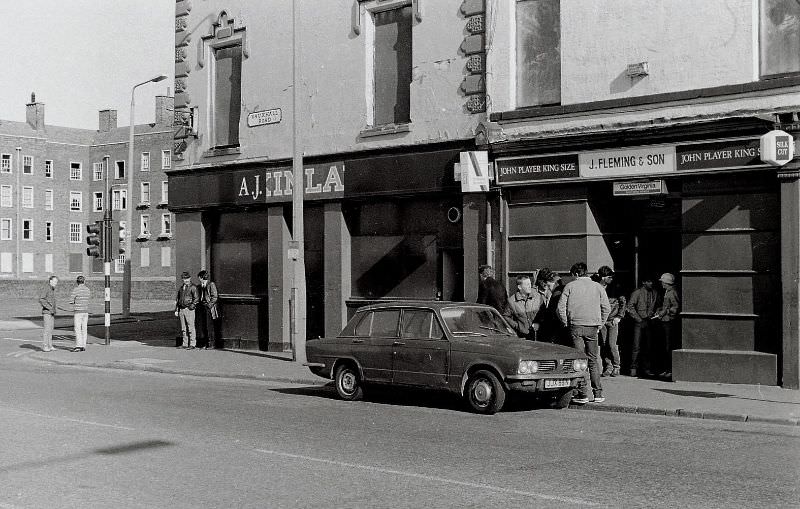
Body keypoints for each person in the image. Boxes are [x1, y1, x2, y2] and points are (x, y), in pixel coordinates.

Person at [557, 262, 610, 404]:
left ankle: (582, 394)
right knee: (593, 360)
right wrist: (600, 323)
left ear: (575, 274)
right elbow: (606, 308)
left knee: (580, 361)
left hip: (576, 326)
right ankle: (598, 393)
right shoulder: (598, 287)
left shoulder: (570, 286)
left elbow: (560, 307)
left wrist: (565, 322)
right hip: (593, 326)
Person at [593, 266, 626, 377]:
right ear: (603, 277)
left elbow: (623, 302)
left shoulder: (615, 288)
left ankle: (616, 366)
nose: (611, 279)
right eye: (609, 277)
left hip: (612, 320)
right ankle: (608, 366)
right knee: (603, 345)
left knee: (612, 344)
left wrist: (619, 317)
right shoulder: (596, 287)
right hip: (602, 319)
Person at [626, 276, 657, 377]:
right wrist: (638, 318)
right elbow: (630, 306)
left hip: (649, 321)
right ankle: (633, 368)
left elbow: (656, 305)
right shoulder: (637, 292)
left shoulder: (654, 293)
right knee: (636, 346)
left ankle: (646, 368)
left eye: (651, 281)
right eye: (648, 281)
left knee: (648, 346)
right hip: (639, 321)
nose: (651, 283)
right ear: (644, 282)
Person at [653, 272, 680, 379]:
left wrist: (665, 312)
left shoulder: (672, 292)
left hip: (669, 322)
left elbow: (675, 307)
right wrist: (659, 310)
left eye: (663, 282)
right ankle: (667, 369)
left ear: (667, 282)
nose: (662, 284)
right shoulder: (667, 291)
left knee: (669, 346)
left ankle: (670, 370)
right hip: (665, 321)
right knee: (665, 346)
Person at [532, 268, 563, 343]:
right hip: (545, 329)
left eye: (548, 285)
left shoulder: (556, 293)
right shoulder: (535, 292)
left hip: (554, 330)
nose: (546, 286)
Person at [506, 275, 540, 340]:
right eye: (527, 284)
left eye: (530, 284)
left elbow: (544, 313)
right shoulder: (512, 301)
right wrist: (518, 326)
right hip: (522, 337)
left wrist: (538, 323)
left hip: (538, 335)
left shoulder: (537, 297)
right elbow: (506, 316)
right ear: (519, 287)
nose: (530, 286)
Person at [175, 271, 199, 349]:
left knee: (190, 327)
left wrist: (191, 307)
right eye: (184, 278)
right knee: (183, 328)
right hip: (182, 309)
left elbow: (196, 299)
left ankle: (192, 344)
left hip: (189, 309)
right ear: (182, 279)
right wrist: (177, 309)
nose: (186, 280)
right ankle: (185, 343)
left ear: (190, 278)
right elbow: (178, 299)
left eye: (187, 278)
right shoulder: (181, 288)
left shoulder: (193, 287)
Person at [196, 270, 220, 350]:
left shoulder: (211, 284)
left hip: (208, 308)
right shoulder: (200, 286)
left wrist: (209, 305)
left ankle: (211, 344)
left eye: (199, 277)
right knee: (203, 326)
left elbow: (215, 296)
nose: (199, 279)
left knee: (209, 326)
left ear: (202, 277)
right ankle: (205, 343)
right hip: (202, 307)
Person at [69, 275, 91, 352]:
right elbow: (88, 299)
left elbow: (71, 301)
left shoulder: (76, 290)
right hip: (85, 311)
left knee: (77, 329)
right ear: (84, 281)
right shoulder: (88, 290)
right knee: (84, 329)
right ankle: (84, 345)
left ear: (77, 282)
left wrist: (75, 301)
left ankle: (79, 345)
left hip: (78, 312)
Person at [38, 275, 59, 352]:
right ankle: (45, 346)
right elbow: (41, 299)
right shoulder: (46, 288)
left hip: (52, 312)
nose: (56, 283)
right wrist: (49, 307)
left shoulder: (52, 289)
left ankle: (50, 345)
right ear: (50, 281)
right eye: (55, 281)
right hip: (47, 312)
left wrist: (53, 309)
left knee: (50, 329)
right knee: (47, 329)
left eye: (57, 282)